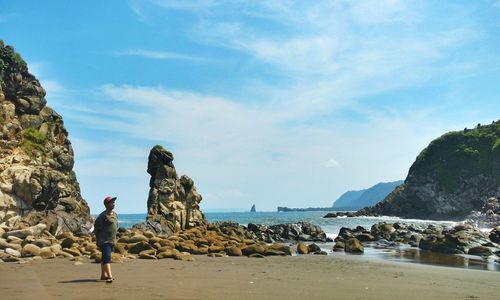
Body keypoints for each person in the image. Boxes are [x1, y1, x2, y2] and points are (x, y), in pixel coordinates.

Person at [94, 196, 118, 283]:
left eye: (114, 202)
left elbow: (115, 226)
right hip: (104, 241)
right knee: (107, 258)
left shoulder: (115, 214)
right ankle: (110, 276)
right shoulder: (102, 216)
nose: (113, 204)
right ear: (106, 204)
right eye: (111, 202)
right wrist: (99, 238)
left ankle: (103, 275)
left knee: (105, 258)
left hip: (112, 240)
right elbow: (96, 227)